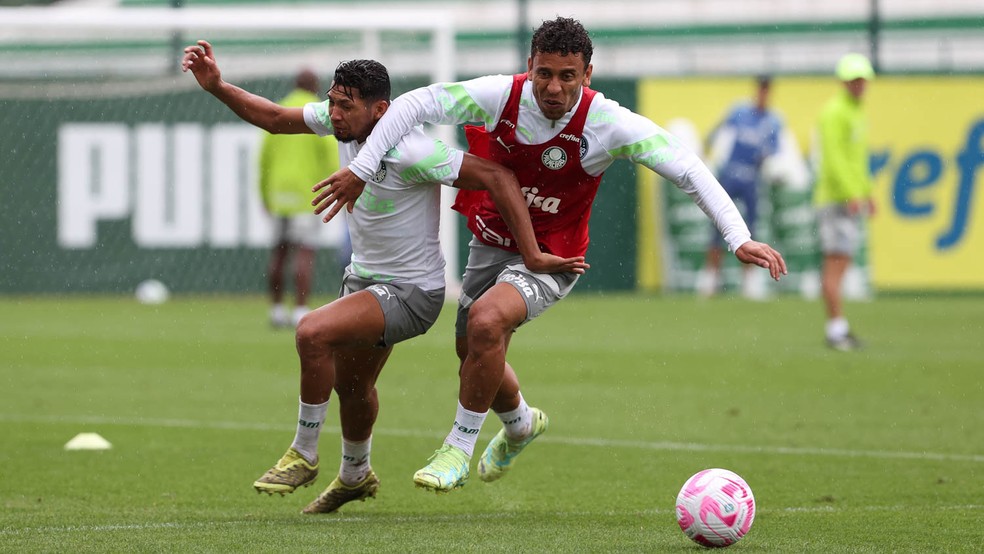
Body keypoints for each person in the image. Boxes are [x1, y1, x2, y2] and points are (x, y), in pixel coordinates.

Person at [315, 17, 787, 493]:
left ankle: (457, 449)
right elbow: (417, 103)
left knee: (485, 323)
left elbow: (687, 168)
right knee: (471, 351)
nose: (554, 87)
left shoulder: (609, 124)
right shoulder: (500, 95)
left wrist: (737, 237)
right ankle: (520, 424)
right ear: (530, 68)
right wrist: (363, 166)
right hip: (492, 242)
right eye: (544, 73)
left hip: (553, 256)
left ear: (587, 75)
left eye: (567, 76)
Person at [181, 40, 586, 514]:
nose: (333, 114)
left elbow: (499, 178)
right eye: (331, 102)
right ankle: (355, 474)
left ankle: (304, 452)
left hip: (411, 293)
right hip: (365, 283)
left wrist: (533, 253)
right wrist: (216, 87)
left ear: (381, 110)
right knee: (352, 388)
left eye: (344, 106)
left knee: (311, 332)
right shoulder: (344, 127)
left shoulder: (412, 149)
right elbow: (274, 117)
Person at [259, 69, 341, 328]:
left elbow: (263, 160)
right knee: (304, 253)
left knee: (279, 255)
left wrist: (265, 194)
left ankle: (275, 309)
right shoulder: (316, 114)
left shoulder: (279, 110)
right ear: (316, 86)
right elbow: (331, 157)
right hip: (308, 195)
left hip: (278, 195)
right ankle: (300, 309)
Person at [696, 74, 784, 299]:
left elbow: (773, 153)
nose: (763, 94)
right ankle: (711, 277)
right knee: (718, 224)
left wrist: (770, 166)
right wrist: (711, 157)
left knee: (749, 229)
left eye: (767, 90)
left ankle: (749, 282)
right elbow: (715, 135)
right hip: (729, 176)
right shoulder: (739, 112)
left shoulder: (773, 121)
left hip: (751, 181)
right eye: (761, 89)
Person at [814, 53, 876, 351]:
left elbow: (858, 160)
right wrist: (853, 193)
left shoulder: (856, 111)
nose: (859, 85)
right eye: (854, 80)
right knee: (835, 263)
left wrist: (867, 192)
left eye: (862, 79)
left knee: (841, 260)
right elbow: (835, 159)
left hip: (847, 197)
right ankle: (835, 330)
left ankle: (838, 326)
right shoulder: (834, 112)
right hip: (835, 199)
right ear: (844, 81)